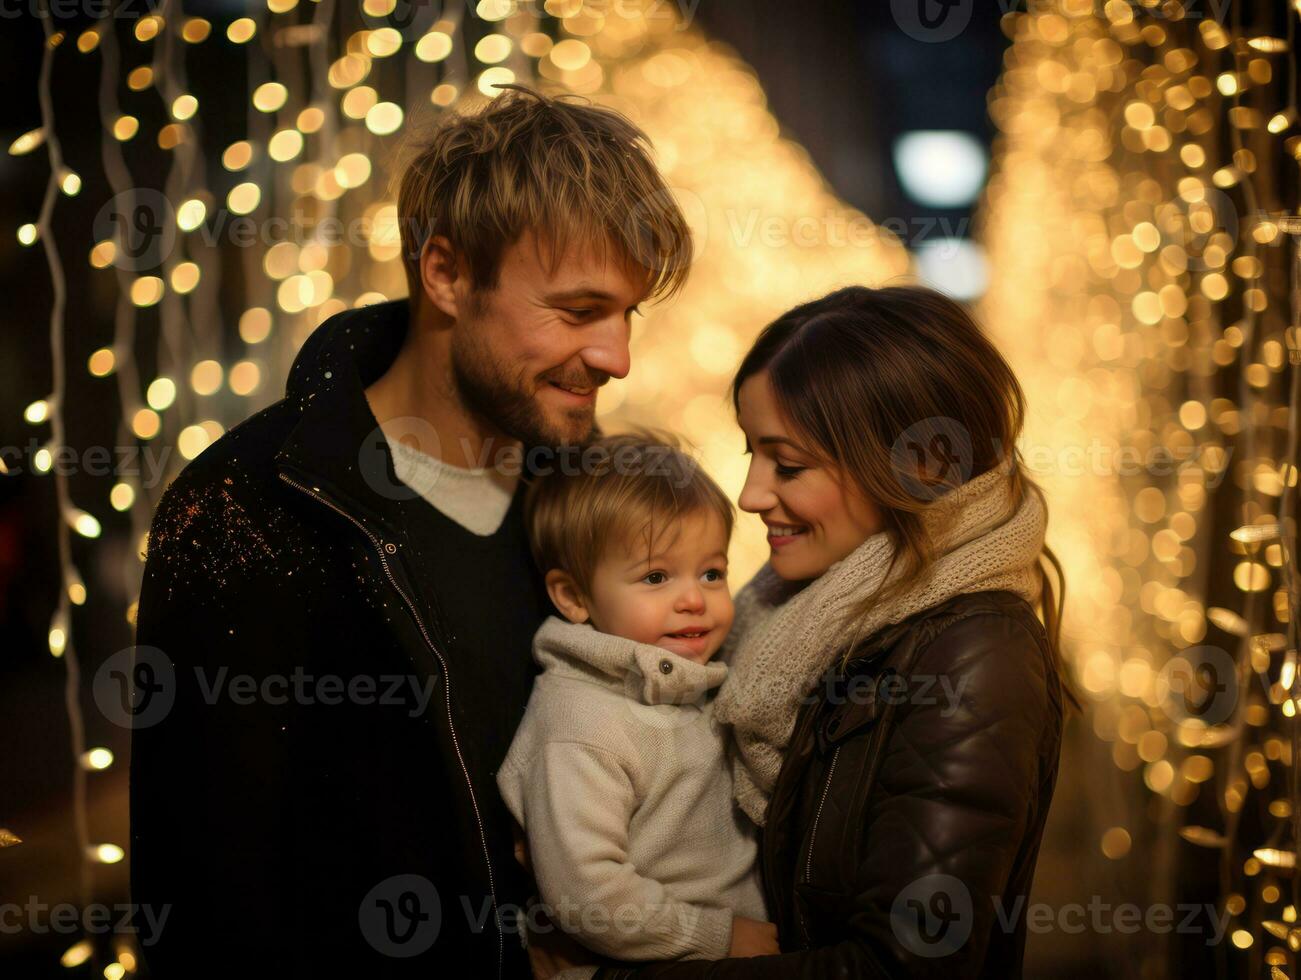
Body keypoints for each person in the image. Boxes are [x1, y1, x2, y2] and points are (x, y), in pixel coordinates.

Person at [128, 87, 691, 978]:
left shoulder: (590, 501)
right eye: (578, 312)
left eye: (628, 316)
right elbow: (207, 897)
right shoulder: (252, 505)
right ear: (446, 275)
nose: (617, 357)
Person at [592, 284, 1075, 979]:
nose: (752, 495)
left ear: (920, 465)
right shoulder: (804, 611)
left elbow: (902, 966)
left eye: (787, 464)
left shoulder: (974, 657)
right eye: (751, 455)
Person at [497, 433, 776, 975]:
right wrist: (717, 937)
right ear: (575, 598)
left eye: (712, 572)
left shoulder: (699, 687)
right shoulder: (580, 722)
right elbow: (588, 892)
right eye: (656, 576)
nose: (694, 598)